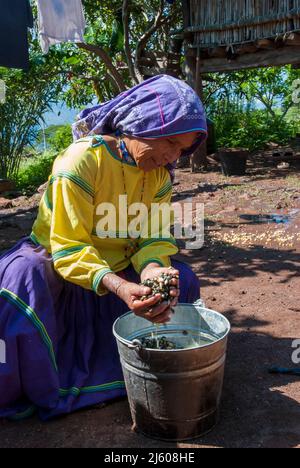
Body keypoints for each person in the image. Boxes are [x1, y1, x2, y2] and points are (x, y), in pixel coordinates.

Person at [0, 75, 207, 420]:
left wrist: (153, 269)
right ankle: (36, 382)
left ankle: (143, 368)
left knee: (181, 280)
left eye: (182, 150)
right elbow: (69, 246)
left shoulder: (158, 176)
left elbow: (153, 238)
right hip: (62, 264)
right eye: (170, 143)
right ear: (142, 123)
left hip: (119, 264)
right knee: (24, 278)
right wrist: (121, 286)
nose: (172, 157)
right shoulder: (81, 162)